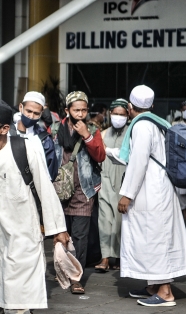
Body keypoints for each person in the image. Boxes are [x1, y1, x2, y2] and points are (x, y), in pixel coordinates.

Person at [0, 99, 69, 314]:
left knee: (19, 295)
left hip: (23, 235)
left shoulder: (24, 149)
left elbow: (44, 188)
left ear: (4, 128)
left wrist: (58, 229)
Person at [110, 85, 186, 307]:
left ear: (129, 106)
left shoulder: (142, 126)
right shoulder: (158, 122)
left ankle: (165, 293)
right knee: (151, 237)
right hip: (157, 188)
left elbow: (138, 162)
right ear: (152, 105)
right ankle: (152, 286)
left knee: (155, 239)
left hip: (152, 191)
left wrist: (126, 195)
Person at [52, 91, 106, 294]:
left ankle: (76, 277)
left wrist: (87, 136)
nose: (81, 114)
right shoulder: (56, 130)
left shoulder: (93, 129)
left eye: (84, 110)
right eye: (76, 110)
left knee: (81, 236)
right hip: (58, 188)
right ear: (67, 111)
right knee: (60, 232)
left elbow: (100, 156)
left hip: (84, 190)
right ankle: (61, 268)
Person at [95, 99, 129, 273]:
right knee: (105, 217)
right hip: (106, 177)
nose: (118, 117)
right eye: (115, 113)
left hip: (124, 180)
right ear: (109, 113)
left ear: (128, 115)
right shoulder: (102, 133)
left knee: (120, 220)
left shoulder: (132, 134)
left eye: (122, 114)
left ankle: (121, 257)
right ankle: (105, 257)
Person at [11, 91, 58, 180]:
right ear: (21, 107)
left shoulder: (44, 139)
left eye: (36, 113)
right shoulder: (7, 133)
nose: (31, 116)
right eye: (28, 111)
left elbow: (50, 172)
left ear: (41, 113)